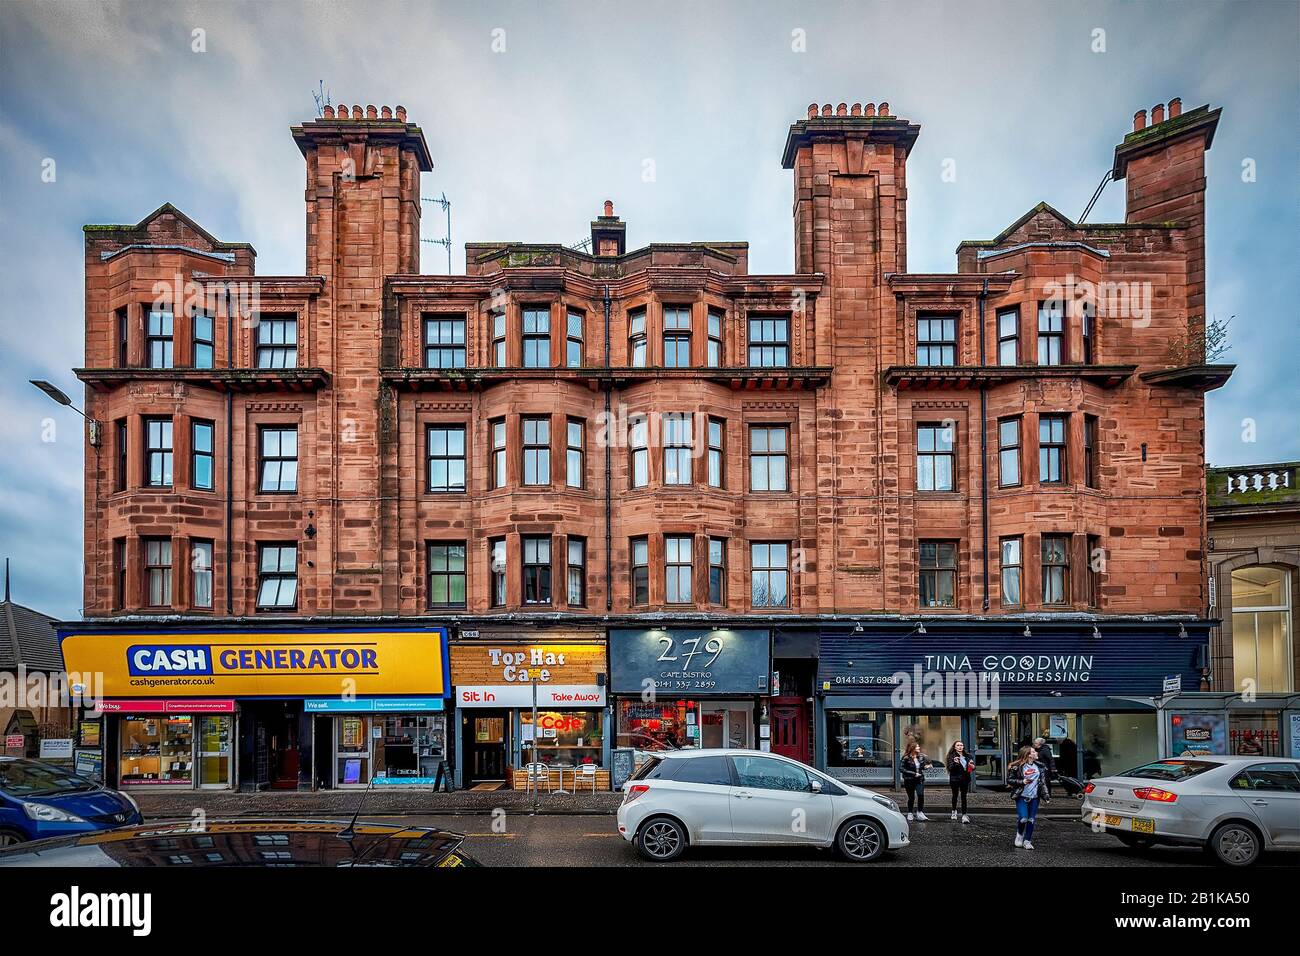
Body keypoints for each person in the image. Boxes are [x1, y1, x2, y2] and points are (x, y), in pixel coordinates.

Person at [1007, 746, 1042, 849]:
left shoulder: (1040, 766)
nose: (1036, 753)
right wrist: (1022, 781)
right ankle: (1020, 834)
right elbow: (1009, 780)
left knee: (1031, 819)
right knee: (1023, 818)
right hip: (1021, 796)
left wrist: (1046, 795)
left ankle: (1027, 841)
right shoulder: (1017, 767)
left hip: (1035, 797)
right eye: (1034, 751)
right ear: (1029, 755)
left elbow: (1043, 782)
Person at [900, 741, 932, 821]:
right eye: (917, 747)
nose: (919, 748)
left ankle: (920, 812)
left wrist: (927, 767)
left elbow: (921, 767)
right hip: (909, 780)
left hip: (919, 779)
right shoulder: (906, 758)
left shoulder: (920, 757)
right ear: (912, 748)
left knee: (920, 795)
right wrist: (914, 774)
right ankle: (910, 813)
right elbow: (901, 769)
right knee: (911, 797)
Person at [946, 741, 974, 823]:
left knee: (964, 797)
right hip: (955, 779)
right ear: (954, 747)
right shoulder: (951, 756)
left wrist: (972, 766)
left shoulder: (968, 756)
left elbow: (971, 767)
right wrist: (955, 763)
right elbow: (950, 768)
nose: (960, 747)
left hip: (965, 779)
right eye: (958, 745)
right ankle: (954, 811)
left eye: (961, 745)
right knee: (955, 795)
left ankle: (964, 815)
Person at [1033, 736, 1056, 803]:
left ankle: (1048, 795)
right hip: (1039, 768)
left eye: (1036, 743)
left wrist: (1053, 768)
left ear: (1040, 744)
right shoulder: (1037, 749)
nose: (1034, 744)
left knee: (1046, 781)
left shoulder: (1045, 750)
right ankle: (1041, 794)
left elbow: (1051, 759)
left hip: (1045, 768)